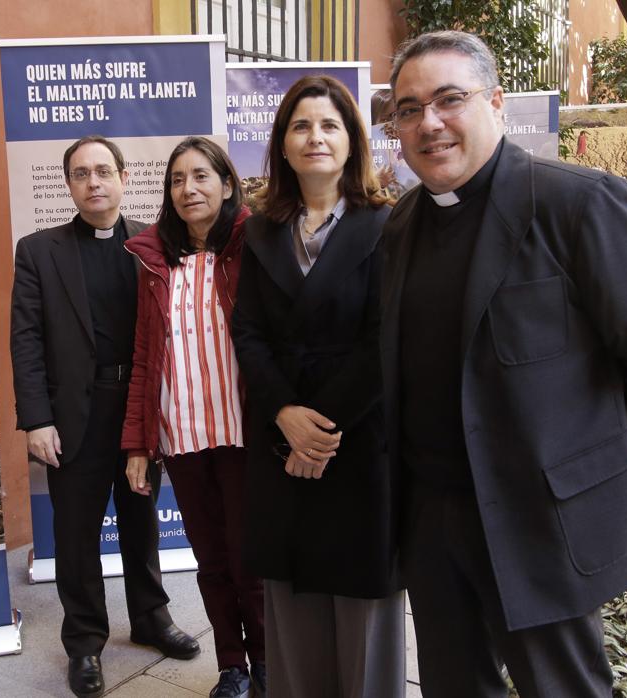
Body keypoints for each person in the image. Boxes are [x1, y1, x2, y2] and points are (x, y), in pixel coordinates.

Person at [381, 30, 627, 697]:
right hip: (432, 521)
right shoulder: (401, 224)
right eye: (409, 109)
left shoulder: (579, 204)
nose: (429, 123)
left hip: (536, 517)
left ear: (496, 102)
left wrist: (581, 448)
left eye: (449, 99)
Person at [230, 75, 405, 698]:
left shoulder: (389, 225)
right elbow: (247, 331)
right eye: (301, 126)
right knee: (292, 601)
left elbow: (387, 339)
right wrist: (284, 415)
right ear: (281, 145)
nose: (315, 137)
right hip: (281, 439)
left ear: (352, 140)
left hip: (356, 439)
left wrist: (319, 430)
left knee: (362, 605)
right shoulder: (260, 231)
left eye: (329, 125)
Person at [10, 135, 199, 698]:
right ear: (68, 184)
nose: (93, 182)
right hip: (72, 418)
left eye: (102, 171)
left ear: (123, 177)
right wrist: (36, 418)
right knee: (75, 534)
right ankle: (86, 642)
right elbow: (26, 340)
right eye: (80, 173)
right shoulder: (38, 250)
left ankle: (151, 618)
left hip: (139, 409)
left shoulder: (153, 246)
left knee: (141, 521)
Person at [120, 137, 263, 698]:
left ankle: (269, 667)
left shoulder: (253, 245)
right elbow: (142, 358)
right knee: (210, 561)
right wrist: (138, 443)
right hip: (182, 435)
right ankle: (233, 667)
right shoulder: (155, 262)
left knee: (250, 560)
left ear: (227, 184)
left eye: (201, 176)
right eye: (178, 180)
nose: (189, 189)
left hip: (242, 432)